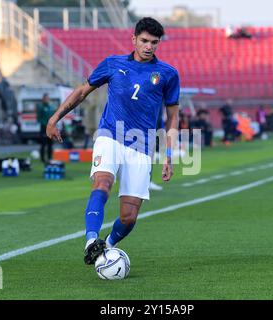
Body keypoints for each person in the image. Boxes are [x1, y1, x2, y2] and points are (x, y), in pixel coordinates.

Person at [46, 17, 180, 265]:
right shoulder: (112, 64)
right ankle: (90, 239)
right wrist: (55, 118)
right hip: (110, 135)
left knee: (128, 218)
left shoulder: (168, 74)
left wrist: (168, 155)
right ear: (134, 39)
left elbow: (173, 117)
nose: (149, 46)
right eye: (144, 41)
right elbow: (81, 92)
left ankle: (103, 248)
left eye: (154, 42)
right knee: (102, 184)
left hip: (142, 146)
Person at [36, 93, 55, 163]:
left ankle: (50, 157)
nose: (47, 99)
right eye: (45, 98)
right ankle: (42, 158)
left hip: (51, 128)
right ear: (43, 99)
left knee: (50, 143)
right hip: (43, 128)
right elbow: (38, 118)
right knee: (43, 143)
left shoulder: (51, 107)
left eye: (48, 98)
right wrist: (46, 124)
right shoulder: (41, 107)